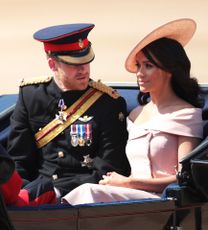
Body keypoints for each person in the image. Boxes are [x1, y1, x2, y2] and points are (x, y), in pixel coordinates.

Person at [62, 18, 204, 205]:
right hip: (131, 199)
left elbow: (184, 179)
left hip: (163, 201)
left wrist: (128, 182)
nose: (139, 73)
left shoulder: (186, 114)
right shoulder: (135, 115)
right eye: (138, 66)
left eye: (148, 66)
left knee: (88, 193)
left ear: (169, 70)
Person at [7, 23, 130, 206]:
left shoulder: (108, 103)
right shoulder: (31, 95)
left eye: (86, 61)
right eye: (74, 64)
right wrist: (25, 197)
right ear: (52, 64)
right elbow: (18, 159)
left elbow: (109, 171)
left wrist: (55, 191)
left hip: (83, 200)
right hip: (35, 200)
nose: (84, 70)